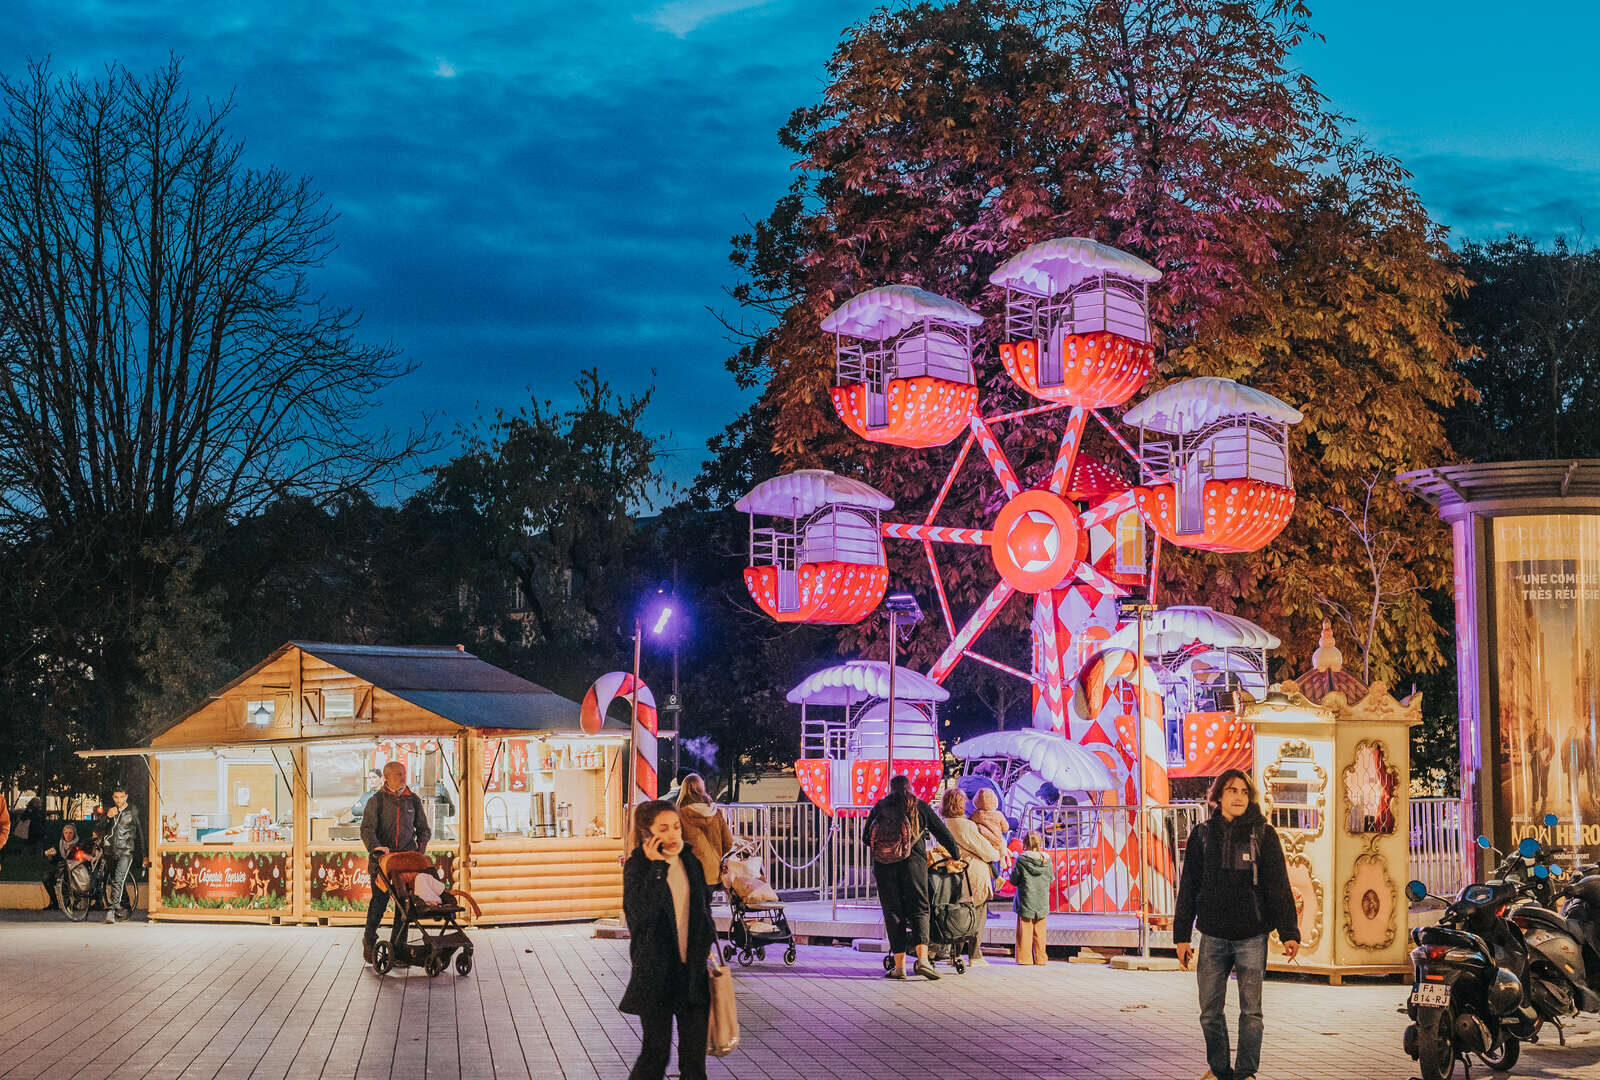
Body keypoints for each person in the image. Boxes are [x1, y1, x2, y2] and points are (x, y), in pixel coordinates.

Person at [1173, 769, 1301, 1080]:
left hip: (1251, 936)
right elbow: (1188, 885)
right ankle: (1219, 1070)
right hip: (1212, 936)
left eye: (1244, 791)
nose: (1239, 796)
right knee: (1209, 1012)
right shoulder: (1202, 835)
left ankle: (1246, 1073)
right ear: (1218, 796)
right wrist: (1181, 935)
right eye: (1232, 790)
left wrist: (1289, 933)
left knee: (1251, 1012)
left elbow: (1278, 886)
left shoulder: (1264, 835)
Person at [620, 799, 716, 1080]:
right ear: (646, 833)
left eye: (676, 826)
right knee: (656, 1055)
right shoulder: (638, 867)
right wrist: (658, 869)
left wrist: (704, 950)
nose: (674, 834)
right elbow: (639, 914)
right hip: (657, 976)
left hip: (693, 975)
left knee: (694, 1063)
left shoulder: (691, 862)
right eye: (664, 828)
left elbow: (703, 912)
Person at [864, 775, 963, 980]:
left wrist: (888, 849)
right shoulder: (920, 807)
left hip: (884, 868)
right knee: (920, 910)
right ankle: (924, 961)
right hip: (914, 866)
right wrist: (956, 855)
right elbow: (942, 833)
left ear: (890, 789)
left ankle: (899, 967)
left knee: (893, 914)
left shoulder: (880, 807)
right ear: (910, 788)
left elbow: (866, 837)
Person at [360, 760, 432, 964]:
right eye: (399, 774)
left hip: (405, 864)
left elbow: (424, 830)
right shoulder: (377, 801)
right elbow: (367, 829)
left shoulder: (413, 801)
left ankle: (398, 948)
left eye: (404, 773)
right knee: (378, 904)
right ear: (387, 777)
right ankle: (369, 940)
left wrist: (419, 852)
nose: (403, 777)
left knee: (404, 907)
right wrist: (376, 847)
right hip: (381, 864)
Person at [934, 787, 1001, 965]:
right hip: (973, 872)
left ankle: (954, 954)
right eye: (963, 801)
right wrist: (996, 853)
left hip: (954, 871)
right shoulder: (966, 825)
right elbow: (984, 850)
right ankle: (974, 955)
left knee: (958, 914)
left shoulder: (945, 822)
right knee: (976, 915)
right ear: (958, 803)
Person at [675, 773, 733, 893]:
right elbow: (728, 842)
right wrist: (715, 856)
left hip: (689, 872)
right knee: (703, 907)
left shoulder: (680, 813)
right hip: (712, 873)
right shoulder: (715, 812)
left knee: (691, 909)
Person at [102, 786, 147, 923]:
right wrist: (106, 817)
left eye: (121, 797)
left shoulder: (132, 811)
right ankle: (122, 907)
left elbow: (140, 833)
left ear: (126, 797)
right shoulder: (111, 810)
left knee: (118, 879)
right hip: (110, 850)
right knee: (114, 880)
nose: (119, 800)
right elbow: (99, 828)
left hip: (126, 851)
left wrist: (145, 855)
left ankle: (112, 911)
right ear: (113, 797)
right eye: (116, 797)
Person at [1009, 830, 1051, 965]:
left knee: (1025, 930)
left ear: (1024, 843)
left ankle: (1024, 959)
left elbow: (1014, 880)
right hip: (1042, 899)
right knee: (1040, 931)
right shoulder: (1046, 860)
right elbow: (1051, 878)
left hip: (1026, 899)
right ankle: (1040, 958)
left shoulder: (1021, 859)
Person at [42, 824, 88, 911]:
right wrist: (50, 856)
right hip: (62, 870)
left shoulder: (79, 844)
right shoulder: (59, 844)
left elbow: (81, 859)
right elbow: (54, 862)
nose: (68, 835)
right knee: (47, 877)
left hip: (75, 871)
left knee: (67, 878)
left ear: (74, 834)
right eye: (66, 833)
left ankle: (71, 903)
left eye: (70, 833)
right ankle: (54, 902)